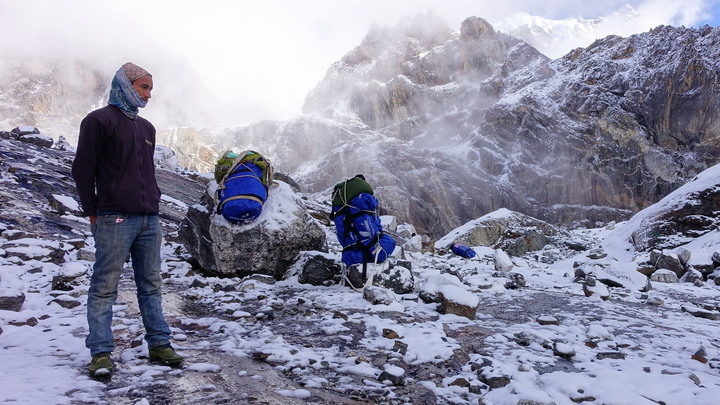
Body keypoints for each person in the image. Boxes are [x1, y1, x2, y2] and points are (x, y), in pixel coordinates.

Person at [72, 62, 183, 377]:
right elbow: (83, 169)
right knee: (105, 286)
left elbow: (145, 171)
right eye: (144, 87)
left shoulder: (146, 128)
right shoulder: (98, 121)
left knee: (151, 285)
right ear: (125, 84)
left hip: (149, 219)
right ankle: (101, 352)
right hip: (114, 217)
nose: (148, 95)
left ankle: (160, 345)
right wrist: (93, 211)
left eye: (150, 89)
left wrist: (155, 202)